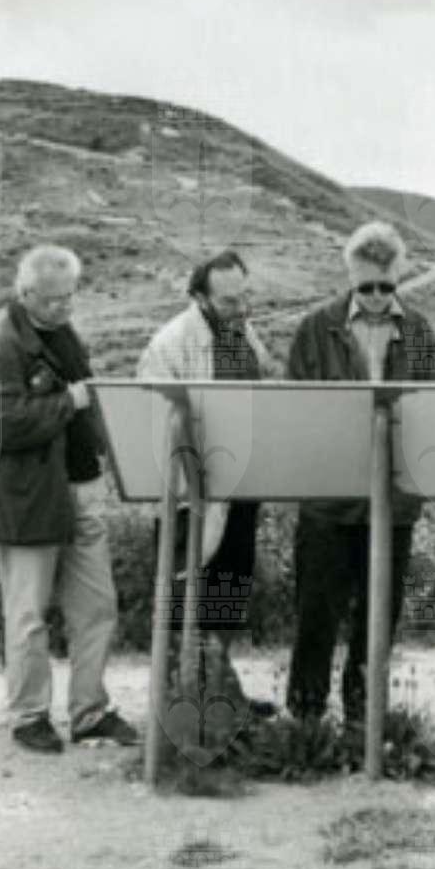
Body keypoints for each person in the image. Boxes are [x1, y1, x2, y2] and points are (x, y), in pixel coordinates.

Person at [0, 244, 139, 753]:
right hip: (27, 498)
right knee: (28, 614)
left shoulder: (65, 333)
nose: (64, 307)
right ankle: (29, 715)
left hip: (82, 487)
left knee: (96, 606)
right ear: (24, 293)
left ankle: (90, 712)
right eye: (52, 300)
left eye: (69, 297)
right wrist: (69, 401)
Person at [283, 221, 435, 725]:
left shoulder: (418, 330)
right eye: (366, 287)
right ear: (351, 277)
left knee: (380, 615)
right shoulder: (314, 328)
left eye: (386, 287)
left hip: (394, 497)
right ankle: (306, 718)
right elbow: (295, 407)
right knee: (316, 612)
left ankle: (364, 717)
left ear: (398, 277)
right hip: (328, 496)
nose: (376, 297)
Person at [137, 249, 279, 717]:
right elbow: (152, 422)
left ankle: (219, 693)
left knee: (228, 593)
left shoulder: (243, 331)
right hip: (190, 495)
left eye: (244, 298)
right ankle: (177, 705)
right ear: (200, 297)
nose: (240, 309)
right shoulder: (170, 343)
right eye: (228, 302)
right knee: (183, 600)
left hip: (240, 486)